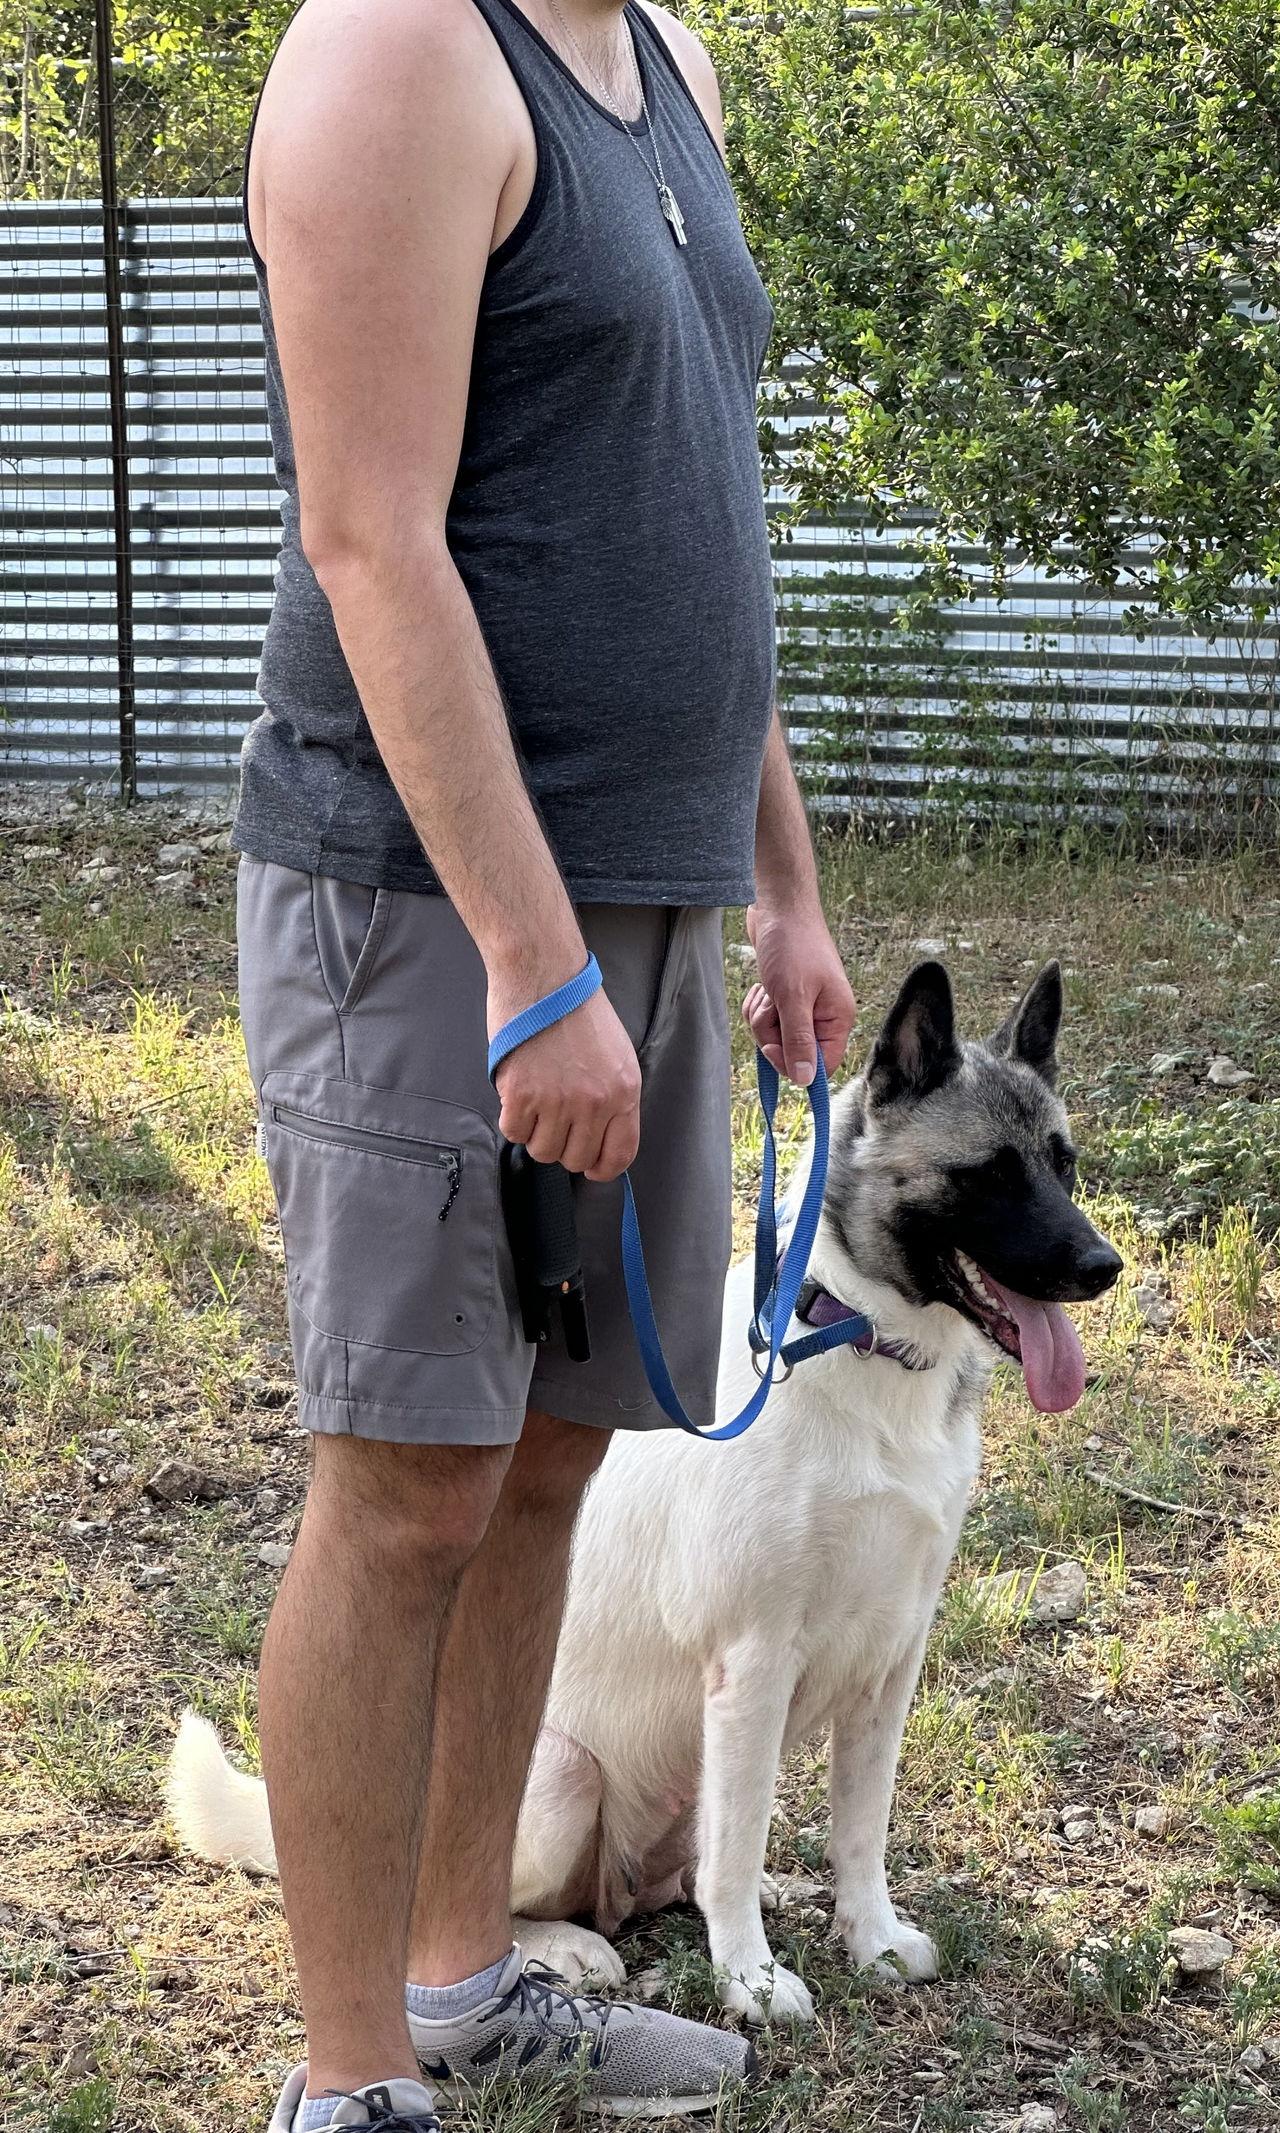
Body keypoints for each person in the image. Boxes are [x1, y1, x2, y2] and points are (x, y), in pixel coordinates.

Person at [230, 0, 856, 2123]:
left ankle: (464, 1978)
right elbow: (368, 535)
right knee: (409, 1481)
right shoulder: (397, 53)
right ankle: (349, 2077)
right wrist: (527, 961)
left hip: (647, 902)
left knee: (554, 1454)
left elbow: (698, 511)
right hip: (428, 906)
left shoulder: (667, 53)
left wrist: (777, 882)